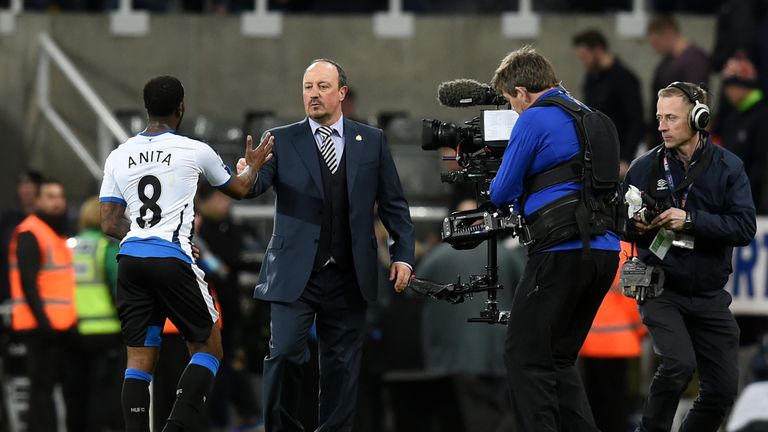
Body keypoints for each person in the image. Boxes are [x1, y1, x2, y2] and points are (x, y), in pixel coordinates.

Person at [236, 58, 415, 431]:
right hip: (293, 273)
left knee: (342, 365)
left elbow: (395, 205)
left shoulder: (373, 141)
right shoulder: (281, 139)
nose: (313, 94)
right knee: (284, 353)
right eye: (307, 87)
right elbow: (253, 186)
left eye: (322, 86)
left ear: (341, 93)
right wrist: (248, 172)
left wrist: (403, 257)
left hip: (350, 273)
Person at [99, 75, 274, 432]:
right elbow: (240, 189)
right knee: (209, 347)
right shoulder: (194, 150)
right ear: (182, 107)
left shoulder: (119, 155)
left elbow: (108, 221)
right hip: (172, 259)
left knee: (138, 360)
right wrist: (253, 165)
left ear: (147, 109)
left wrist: (142, 235)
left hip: (131, 260)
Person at [488, 45, 621, 432]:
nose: (514, 113)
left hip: (560, 252)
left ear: (522, 93)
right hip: (604, 252)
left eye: (511, 105)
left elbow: (500, 192)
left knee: (523, 356)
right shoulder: (591, 116)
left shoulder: (534, 118)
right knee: (556, 359)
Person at [624, 82, 756, 432]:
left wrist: (691, 220)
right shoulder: (642, 168)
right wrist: (635, 224)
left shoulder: (729, 167)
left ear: (699, 119)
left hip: (710, 295)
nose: (662, 126)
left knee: (723, 390)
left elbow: (744, 228)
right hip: (662, 288)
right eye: (659, 118)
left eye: (671, 117)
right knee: (678, 364)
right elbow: (618, 225)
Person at [8, 179, 79, 432]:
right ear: (36, 201)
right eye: (50, 196)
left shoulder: (53, 233)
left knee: (46, 387)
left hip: (56, 324)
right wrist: (44, 321)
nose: (57, 201)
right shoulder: (31, 232)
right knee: (42, 387)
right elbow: (28, 282)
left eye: (60, 196)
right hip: (39, 325)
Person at [579, 241, 646, 432]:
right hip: (620, 342)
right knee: (617, 403)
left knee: (591, 401)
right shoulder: (630, 251)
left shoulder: (591, 245)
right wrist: (641, 331)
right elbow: (635, 300)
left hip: (589, 339)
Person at [70, 196, 124, 432]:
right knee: (102, 391)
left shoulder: (67, 246)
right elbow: (119, 288)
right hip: (105, 330)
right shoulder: (105, 247)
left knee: (76, 390)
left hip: (72, 329)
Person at [572, 28, 645, 178]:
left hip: (619, 154)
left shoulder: (625, 78)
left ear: (598, 50)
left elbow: (636, 121)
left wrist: (626, 158)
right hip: (597, 154)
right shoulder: (591, 78)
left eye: (585, 56)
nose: (583, 62)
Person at [646, 15, 710, 144]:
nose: (656, 49)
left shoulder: (693, 61)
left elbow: (696, 100)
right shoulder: (666, 63)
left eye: (657, 43)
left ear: (669, 34)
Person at [717, 55, 768, 214]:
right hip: (732, 197)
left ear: (742, 85)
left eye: (729, 86)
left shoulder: (762, 115)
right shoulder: (734, 115)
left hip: (753, 201)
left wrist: (741, 190)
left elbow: (761, 162)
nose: (726, 92)